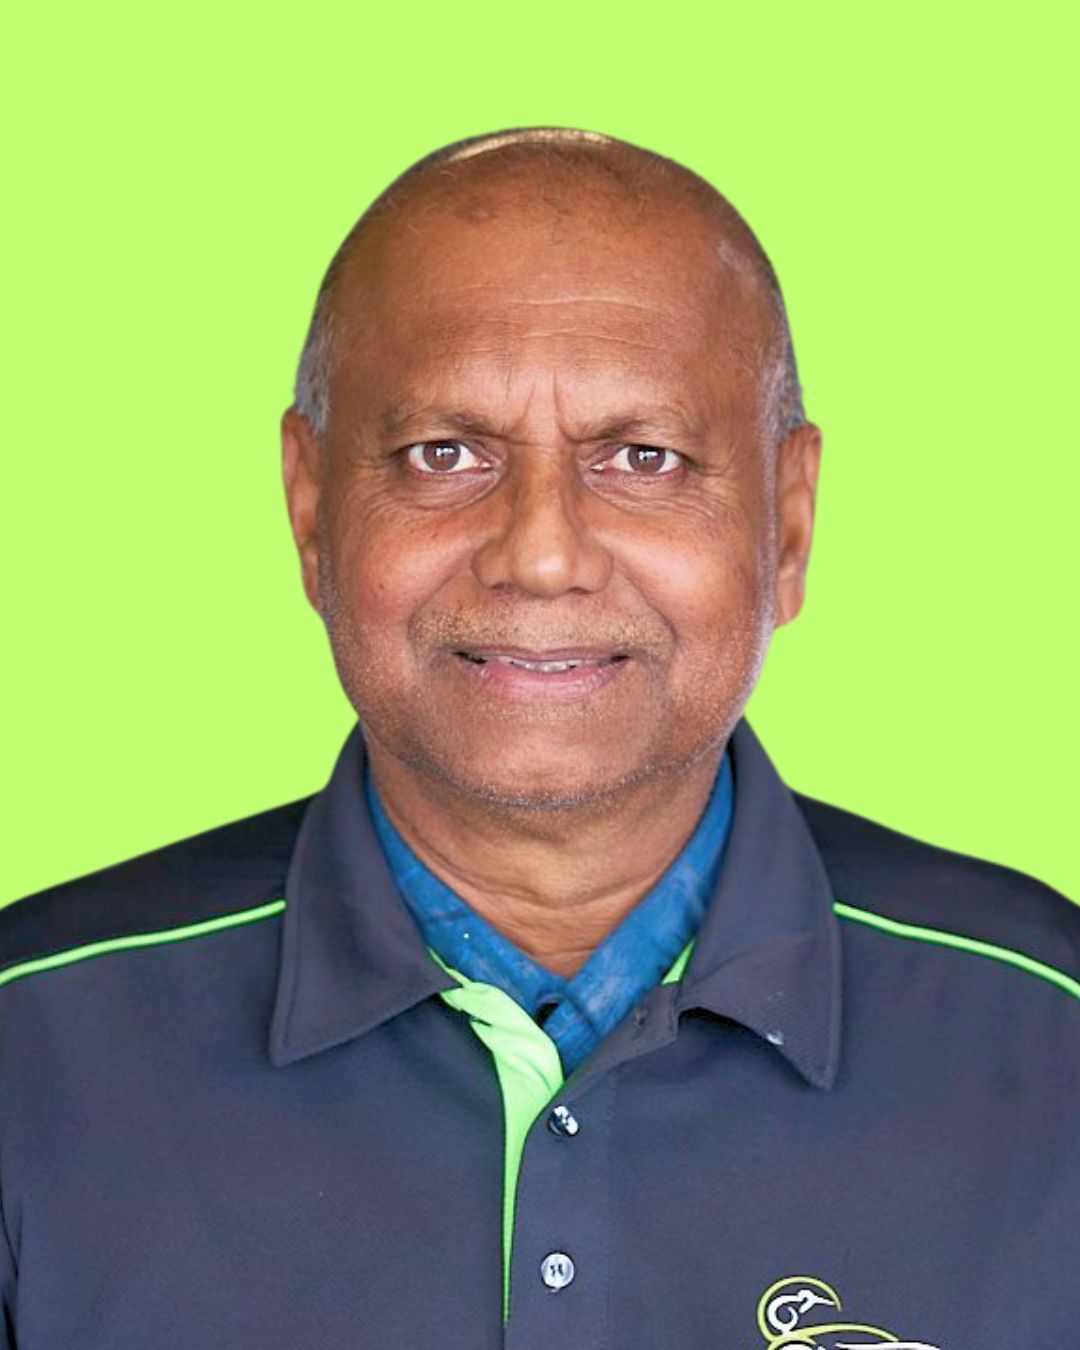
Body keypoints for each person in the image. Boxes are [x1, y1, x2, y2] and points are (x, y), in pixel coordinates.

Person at [1, 127, 1077, 1350]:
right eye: (444, 453)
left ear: (788, 519)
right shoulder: (31, 1053)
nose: (543, 554)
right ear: (311, 510)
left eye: (644, 457)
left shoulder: (1053, 1041)